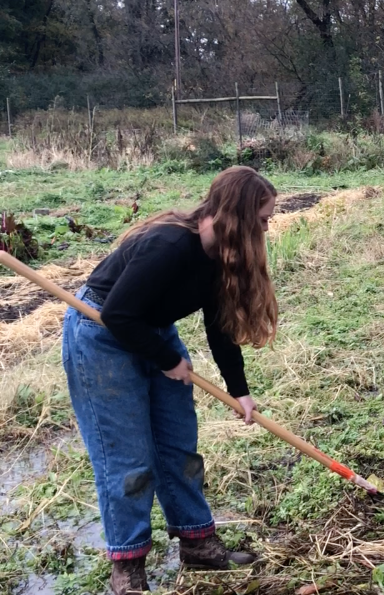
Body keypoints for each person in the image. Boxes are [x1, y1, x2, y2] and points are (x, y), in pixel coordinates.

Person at [62, 166, 278, 594]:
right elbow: (119, 315)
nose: (268, 227)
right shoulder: (170, 245)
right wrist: (166, 360)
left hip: (153, 329)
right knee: (128, 459)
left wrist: (241, 392)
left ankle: (197, 542)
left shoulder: (222, 254)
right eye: (264, 218)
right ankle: (128, 567)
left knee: (179, 444)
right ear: (237, 216)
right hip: (103, 334)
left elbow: (220, 328)